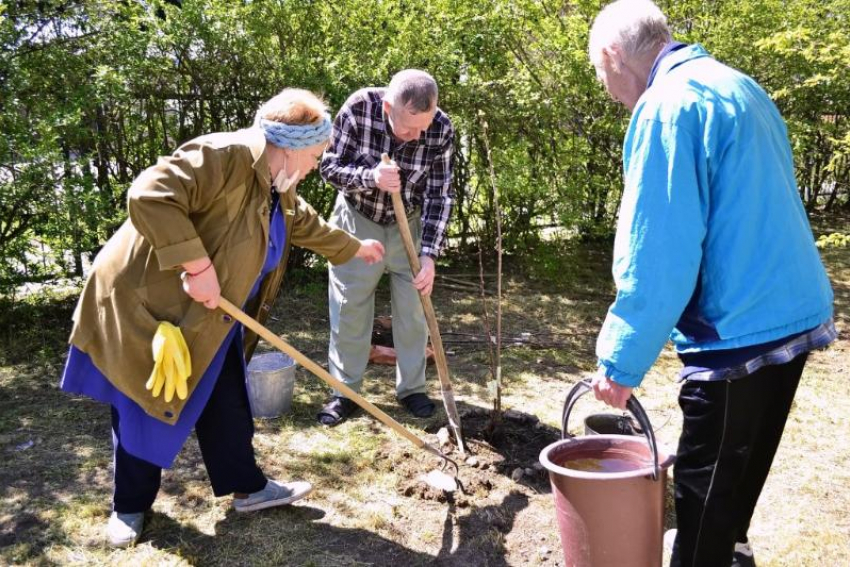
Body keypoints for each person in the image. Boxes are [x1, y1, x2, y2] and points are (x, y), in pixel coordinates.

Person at [60, 88, 385, 547]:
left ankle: (248, 488)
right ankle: (129, 507)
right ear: (290, 147)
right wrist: (197, 265)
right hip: (153, 311)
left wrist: (353, 247)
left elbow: (301, 222)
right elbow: (150, 193)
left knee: (227, 399)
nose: (316, 165)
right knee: (145, 405)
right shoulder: (223, 155)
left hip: (211, 317)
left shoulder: (279, 182)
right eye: (314, 155)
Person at [586, 2, 836, 566]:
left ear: (612, 56)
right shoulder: (735, 84)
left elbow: (659, 250)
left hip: (739, 327)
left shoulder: (666, 108)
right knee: (738, 475)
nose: (605, 88)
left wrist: (620, 362)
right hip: (792, 311)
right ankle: (733, 550)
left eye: (599, 74)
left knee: (702, 500)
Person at [316, 69, 455, 426]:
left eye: (423, 127)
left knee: (413, 307)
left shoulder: (440, 128)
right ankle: (345, 391)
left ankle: (412, 389)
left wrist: (429, 255)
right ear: (388, 106)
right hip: (357, 219)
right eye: (409, 128)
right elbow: (328, 167)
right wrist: (370, 178)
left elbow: (440, 194)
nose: (417, 136)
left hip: (408, 222)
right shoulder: (358, 109)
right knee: (350, 305)